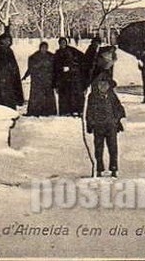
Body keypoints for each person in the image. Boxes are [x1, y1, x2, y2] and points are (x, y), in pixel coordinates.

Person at [86, 46, 126, 177]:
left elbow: (119, 108)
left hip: (110, 125)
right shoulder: (93, 96)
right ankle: (99, 168)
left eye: (106, 85)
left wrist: (117, 120)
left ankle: (114, 168)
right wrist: (89, 123)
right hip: (98, 126)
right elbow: (89, 111)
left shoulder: (112, 95)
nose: (103, 87)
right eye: (101, 85)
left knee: (113, 148)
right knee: (98, 148)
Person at [22, 41, 57, 116]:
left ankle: (48, 111)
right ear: (40, 48)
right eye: (42, 47)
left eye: (45, 48)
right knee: (37, 96)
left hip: (48, 80)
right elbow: (31, 68)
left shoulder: (51, 56)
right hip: (37, 80)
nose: (44, 49)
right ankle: (35, 111)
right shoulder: (34, 56)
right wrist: (26, 75)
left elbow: (55, 68)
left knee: (48, 96)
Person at [53, 37, 85, 116]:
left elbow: (81, 58)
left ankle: (76, 110)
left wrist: (71, 67)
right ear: (59, 44)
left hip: (72, 75)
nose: (63, 44)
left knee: (73, 94)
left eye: (64, 42)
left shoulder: (72, 50)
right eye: (61, 43)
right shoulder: (57, 53)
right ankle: (64, 111)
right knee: (64, 94)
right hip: (62, 76)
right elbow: (55, 65)